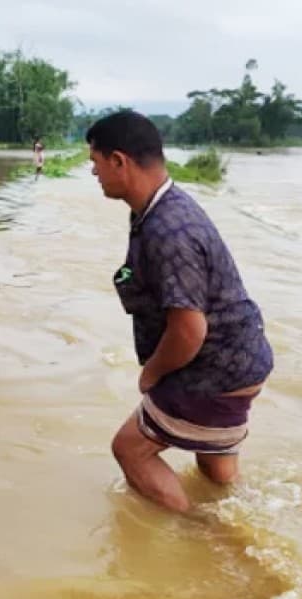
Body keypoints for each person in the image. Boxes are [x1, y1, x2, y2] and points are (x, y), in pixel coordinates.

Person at [86, 111, 274, 513]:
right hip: (242, 362)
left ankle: (199, 538)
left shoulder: (168, 230)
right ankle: (242, 532)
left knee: (130, 450)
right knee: (217, 472)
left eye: (95, 163)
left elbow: (189, 330)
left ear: (119, 161)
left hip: (213, 372)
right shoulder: (163, 208)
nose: (94, 173)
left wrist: (152, 372)